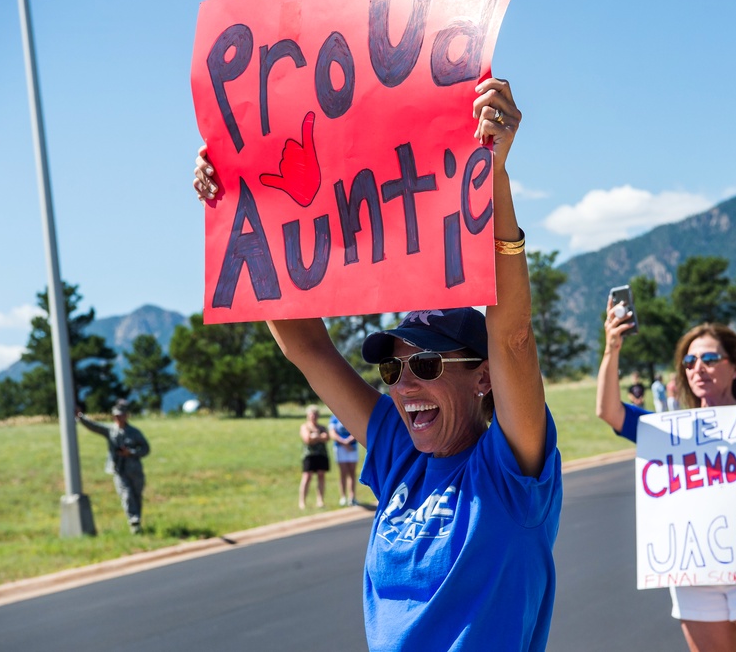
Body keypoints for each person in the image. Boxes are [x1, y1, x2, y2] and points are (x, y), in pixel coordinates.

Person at [195, 78, 562, 650]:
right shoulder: (399, 451)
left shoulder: (509, 471)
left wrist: (492, 175)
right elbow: (307, 347)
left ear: (482, 375)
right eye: (393, 370)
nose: (404, 385)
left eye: (427, 365)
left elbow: (511, 336)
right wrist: (244, 199)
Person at [596, 301, 736, 652]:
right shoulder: (671, 431)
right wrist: (612, 348)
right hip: (696, 576)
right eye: (690, 362)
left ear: (735, 368)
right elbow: (608, 411)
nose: (698, 368)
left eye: (709, 359)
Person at [76, 399, 151, 534]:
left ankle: (137, 520)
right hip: (119, 469)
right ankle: (133, 520)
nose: (118, 418)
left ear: (126, 416)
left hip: (134, 470)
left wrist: (131, 452)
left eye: (120, 415)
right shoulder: (110, 430)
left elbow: (146, 449)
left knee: (136, 496)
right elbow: (94, 426)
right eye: (115, 416)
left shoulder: (134, 432)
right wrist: (80, 417)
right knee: (126, 495)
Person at [299, 405, 330, 509]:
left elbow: (327, 437)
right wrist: (319, 437)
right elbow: (307, 439)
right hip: (309, 455)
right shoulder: (305, 427)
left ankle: (320, 500)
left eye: (315, 414)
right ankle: (302, 502)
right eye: (312, 415)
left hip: (321, 454)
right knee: (307, 476)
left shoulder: (322, 427)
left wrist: (315, 437)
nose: (314, 417)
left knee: (321, 476)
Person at [329, 413, 359, 506]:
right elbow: (332, 433)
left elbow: (357, 430)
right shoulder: (334, 418)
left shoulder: (351, 416)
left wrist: (349, 441)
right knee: (343, 472)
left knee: (352, 472)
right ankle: (343, 497)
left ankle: (352, 497)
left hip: (352, 447)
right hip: (340, 447)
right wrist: (343, 442)